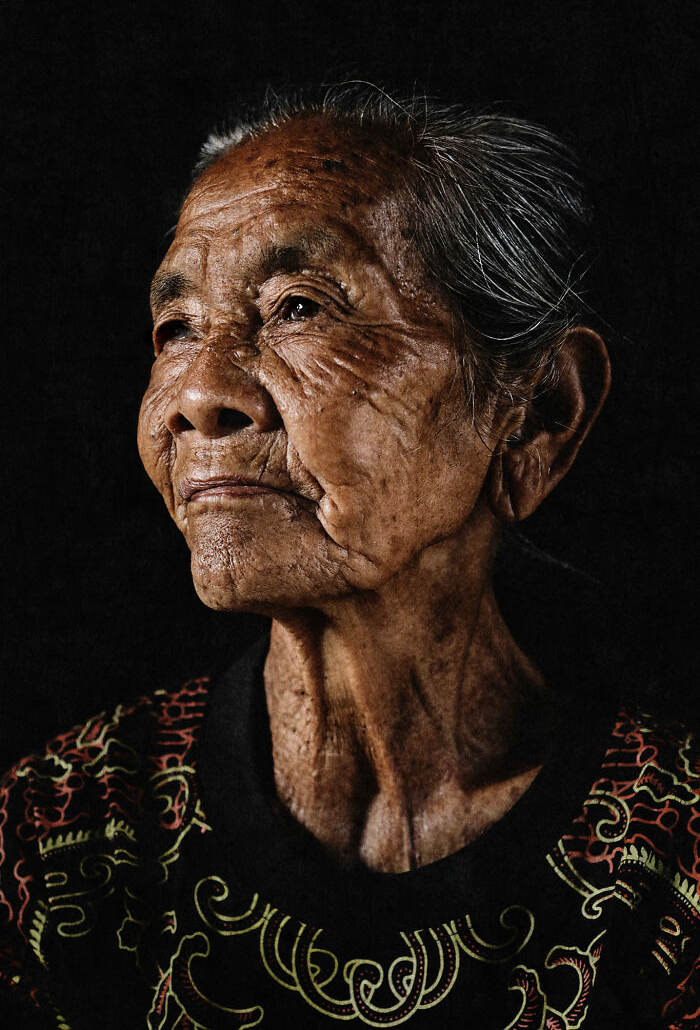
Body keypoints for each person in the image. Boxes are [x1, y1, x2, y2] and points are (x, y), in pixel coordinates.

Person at [1, 87, 698, 1028]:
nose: (197, 395)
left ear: (535, 415)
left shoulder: (673, 861)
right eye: (176, 330)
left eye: (299, 308)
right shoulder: (58, 838)